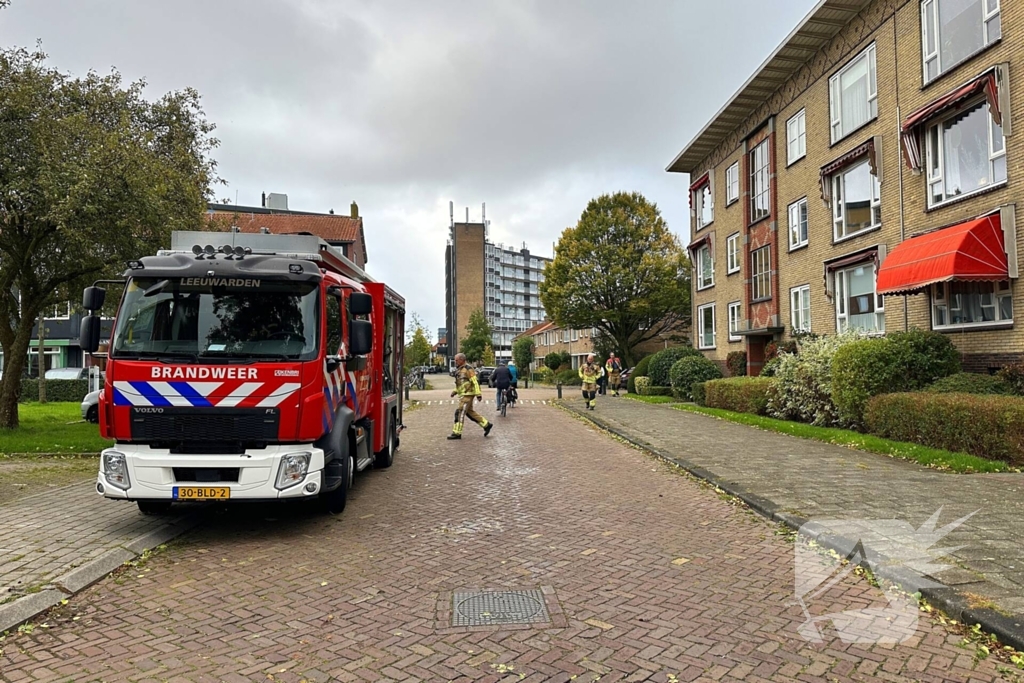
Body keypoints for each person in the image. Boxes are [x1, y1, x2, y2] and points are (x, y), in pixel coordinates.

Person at [448, 353, 493, 440]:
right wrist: (455, 391)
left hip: (468, 394)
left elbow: (475, 382)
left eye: (457, 360)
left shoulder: (468, 369)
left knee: (459, 412)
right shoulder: (460, 369)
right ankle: (486, 425)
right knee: (469, 412)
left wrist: (478, 394)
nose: (455, 362)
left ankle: (457, 433)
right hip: (464, 394)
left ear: (462, 360)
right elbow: (461, 383)